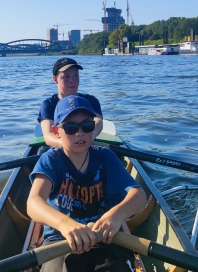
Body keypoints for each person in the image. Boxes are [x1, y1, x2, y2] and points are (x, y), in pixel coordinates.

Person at [27, 96, 147, 272]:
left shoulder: (106, 158)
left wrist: (116, 215)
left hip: (106, 238)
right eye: (70, 127)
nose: (80, 133)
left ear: (94, 128)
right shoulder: (51, 160)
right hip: (61, 241)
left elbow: (139, 196)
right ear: (56, 131)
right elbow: (33, 203)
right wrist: (64, 224)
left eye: (87, 125)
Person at [38, 57, 103, 148]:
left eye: (76, 75)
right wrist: (70, 145)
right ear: (55, 79)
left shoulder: (91, 100)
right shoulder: (48, 104)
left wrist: (90, 137)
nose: (72, 80)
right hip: (58, 149)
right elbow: (48, 136)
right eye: (67, 77)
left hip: (87, 144)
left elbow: (98, 121)